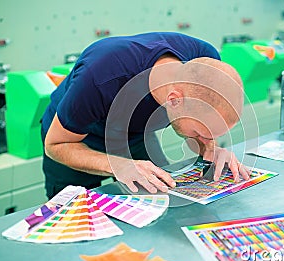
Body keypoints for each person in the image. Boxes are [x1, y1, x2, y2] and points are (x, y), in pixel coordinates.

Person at [41, 32, 252, 199]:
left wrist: (211, 149)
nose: (206, 140)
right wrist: (120, 165)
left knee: (157, 194)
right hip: (75, 137)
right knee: (76, 213)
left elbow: (204, 123)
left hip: (135, 132)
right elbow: (56, 145)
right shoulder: (101, 76)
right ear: (174, 100)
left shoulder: (204, 63)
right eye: (201, 133)